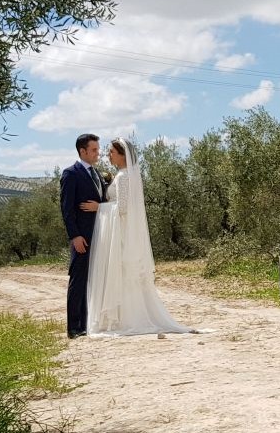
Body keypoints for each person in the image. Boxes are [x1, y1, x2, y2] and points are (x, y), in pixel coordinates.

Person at [86, 138, 193, 336]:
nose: (108, 155)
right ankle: (122, 315)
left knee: (122, 272)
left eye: (111, 152)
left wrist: (99, 207)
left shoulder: (124, 177)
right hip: (122, 231)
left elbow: (124, 208)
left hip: (122, 233)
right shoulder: (124, 175)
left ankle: (125, 318)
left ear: (121, 154)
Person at [60, 133, 104, 338]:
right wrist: (74, 236)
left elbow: (100, 203)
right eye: (94, 150)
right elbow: (67, 209)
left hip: (99, 236)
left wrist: (101, 208)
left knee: (91, 280)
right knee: (78, 280)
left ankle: (86, 324)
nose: (98, 153)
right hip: (82, 238)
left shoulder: (97, 175)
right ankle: (74, 327)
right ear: (82, 151)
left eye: (98, 149)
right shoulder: (71, 174)